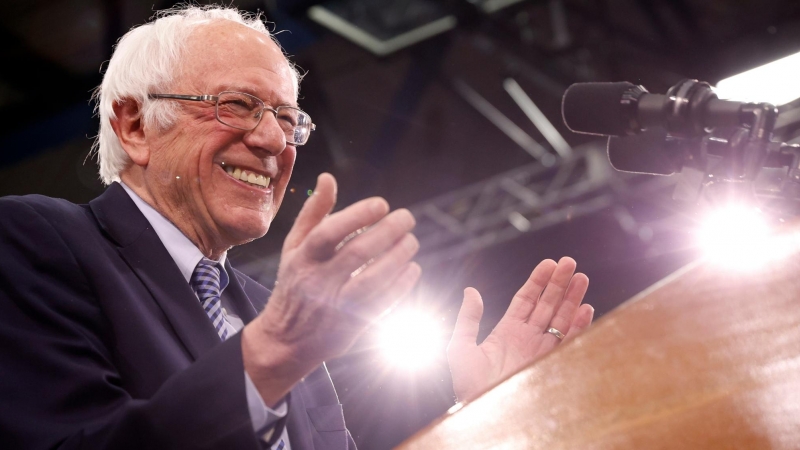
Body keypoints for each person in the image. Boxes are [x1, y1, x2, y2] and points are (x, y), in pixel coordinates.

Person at [0, 5, 594, 450]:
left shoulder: (272, 313)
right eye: (236, 104)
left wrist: (481, 413)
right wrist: (272, 354)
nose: (272, 141)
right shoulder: (37, 242)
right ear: (133, 125)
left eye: (288, 119)